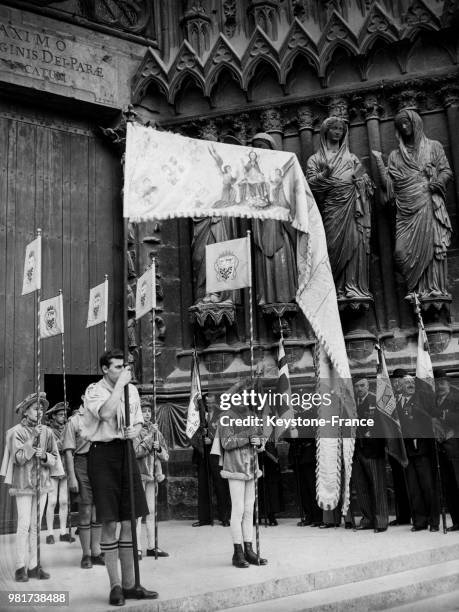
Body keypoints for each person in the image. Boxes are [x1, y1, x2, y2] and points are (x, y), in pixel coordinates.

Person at [81, 348, 157, 606]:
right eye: (117, 367)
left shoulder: (132, 390)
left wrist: (132, 431)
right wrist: (120, 386)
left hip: (126, 451)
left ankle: (131, 584)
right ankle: (114, 586)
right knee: (110, 522)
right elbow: (104, 414)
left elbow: (137, 423)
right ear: (104, 368)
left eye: (125, 367)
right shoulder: (94, 390)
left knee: (129, 520)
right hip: (102, 455)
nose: (123, 371)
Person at [373, 109, 453, 298]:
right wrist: (378, 162)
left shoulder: (434, 147)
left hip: (427, 203)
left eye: (407, 123)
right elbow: (389, 187)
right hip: (406, 209)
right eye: (400, 125)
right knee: (400, 253)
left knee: (433, 248)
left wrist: (438, 181)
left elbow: (446, 171)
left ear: (415, 123)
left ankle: (433, 290)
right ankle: (416, 287)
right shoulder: (395, 156)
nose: (404, 127)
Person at [307, 117, 373, 300]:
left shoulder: (351, 158)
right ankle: (335, 287)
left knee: (355, 242)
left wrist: (361, 181)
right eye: (334, 128)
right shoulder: (316, 159)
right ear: (325, 131)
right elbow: (309, 186)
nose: (338, 132)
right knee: (333, 246)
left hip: (352, 208)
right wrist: (325, 175)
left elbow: (366, 182)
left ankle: (353, 286)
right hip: (331, 209)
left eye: (340, 129)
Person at [0, 392, 63, 582]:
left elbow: (53, 457)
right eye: (36, 408)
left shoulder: (47, 432)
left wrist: (44, 456)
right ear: (26, 411)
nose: (40, 411)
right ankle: (20, 567)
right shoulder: (14, 432)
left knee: (36, 525)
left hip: (42, 484)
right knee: (24, 524)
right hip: (23, 484)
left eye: (42, 408)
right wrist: (30, 441)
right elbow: (19, 458)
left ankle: (34, 565)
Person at [212, 383, 268, 568]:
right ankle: (237, 552)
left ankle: (249, 549)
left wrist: (259, 442)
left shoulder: (252, 416)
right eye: (240, 396)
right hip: (235, 467)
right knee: (238, 510)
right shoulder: (226, 417)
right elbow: (227, 443)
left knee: (249, 509)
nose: (244, 400)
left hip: (252, 467)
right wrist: (247, 437)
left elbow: (259, 442)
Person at [250, 133, 298, 305]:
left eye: (261, 146)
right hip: (262, 223)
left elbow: (291, 196)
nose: (257, 150)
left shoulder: (282, 170)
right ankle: (267, 296)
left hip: (280, 224)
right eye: (254, 147)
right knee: (264, 261)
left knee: (280, 256)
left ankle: (285, 296)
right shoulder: (253, 174)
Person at [63, 395, 104, 569]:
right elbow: (68, 451)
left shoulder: (101, 418)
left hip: (100, 464)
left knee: (98, 510)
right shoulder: (73, 421)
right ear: (82, 398)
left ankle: (96, 552)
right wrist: (71, 476)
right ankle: (86, 554)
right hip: (81, 464)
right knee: (86, 510)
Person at [398, 375, 439, 532]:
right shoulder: (397, 402)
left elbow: (433, 416)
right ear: (399, 386)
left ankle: (433, 521)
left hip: (423, 450)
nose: (410, 385)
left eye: (411, 382)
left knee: (428, 487)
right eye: (406, 383)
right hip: (407, 451)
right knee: (414, 489)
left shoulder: (422, 399)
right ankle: (419, 522)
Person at [134, 398, 169, 558]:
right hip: (139, 474)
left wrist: (159, 448)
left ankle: (152, 546)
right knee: (138, 513)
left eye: (149, 411)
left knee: (152, 511)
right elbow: (136, 452)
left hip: (153, 476)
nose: (147, 414)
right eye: (144, 411)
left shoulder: (157, 432)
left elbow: (166, 456)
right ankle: (137, 547)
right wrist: (149, 439)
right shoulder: (135, 431)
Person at [352, 378, 388, 532]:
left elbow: (385, 425)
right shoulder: (351, 403)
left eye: (362, 385)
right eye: (357, 386)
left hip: (373, 451)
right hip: (356, 450)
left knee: (378, 486)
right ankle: (367, 519)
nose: (359, 388)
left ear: (368, 386)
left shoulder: (375, 400)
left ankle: (381, 521)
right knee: (361, 487)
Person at [191, 393, 231, 527]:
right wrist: (200, 439)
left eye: (211, 403)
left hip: (217, 453)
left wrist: (212, 440)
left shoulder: (222, 415)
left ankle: (224, 517)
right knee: (203, 486)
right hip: (202, 453)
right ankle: (205, 519)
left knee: (221, 485)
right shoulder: (199, 415)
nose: (209, 406)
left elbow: (227, 434)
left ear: (216, 402)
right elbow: (191, 432)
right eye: (206, 403)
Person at [45, 402, 75, 545]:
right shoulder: (48, 430)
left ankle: (63, 531)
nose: (64, 417)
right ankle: (50, 532)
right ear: (54, 416)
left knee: (64, 501)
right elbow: (54, 446)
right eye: (61, 415)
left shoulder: (68, 428)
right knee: (52, 501)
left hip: (65, 468)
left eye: (65, 415)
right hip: (53, 468)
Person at [434, 370, 459, 532]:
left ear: (448, 383)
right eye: (437, 383)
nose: (440, 386)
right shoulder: (433, 400)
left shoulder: (456, 398)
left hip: (455, 447)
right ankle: (457, 521)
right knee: (449, 487)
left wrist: (443, 415)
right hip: (440, 448)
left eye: (442, 382)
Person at [389, 369, 411, 526]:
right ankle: (403, 516)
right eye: (394, 381)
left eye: (399, 381)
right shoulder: (390, 401)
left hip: (410, 447)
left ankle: (418, 515)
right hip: (395, 448)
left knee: (412, 483)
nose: (396, 384)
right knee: (399, 483)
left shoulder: (412, 397)